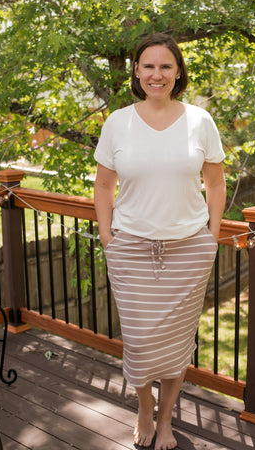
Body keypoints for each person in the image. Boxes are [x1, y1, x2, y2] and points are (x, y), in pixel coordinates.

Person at [94, 33, 226, 450]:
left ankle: (165, 419)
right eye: (149, 66)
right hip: (131, 250)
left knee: (175, 344)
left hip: (189, 250)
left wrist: (213, 237)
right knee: (138, 342)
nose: (157, 74)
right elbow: (102, 187)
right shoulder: (117, 122)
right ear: (136, 71)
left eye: (166, 66)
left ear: (178, 71)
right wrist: (107, 237)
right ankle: (144, 406)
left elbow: (216, 182)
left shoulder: (200, 120)